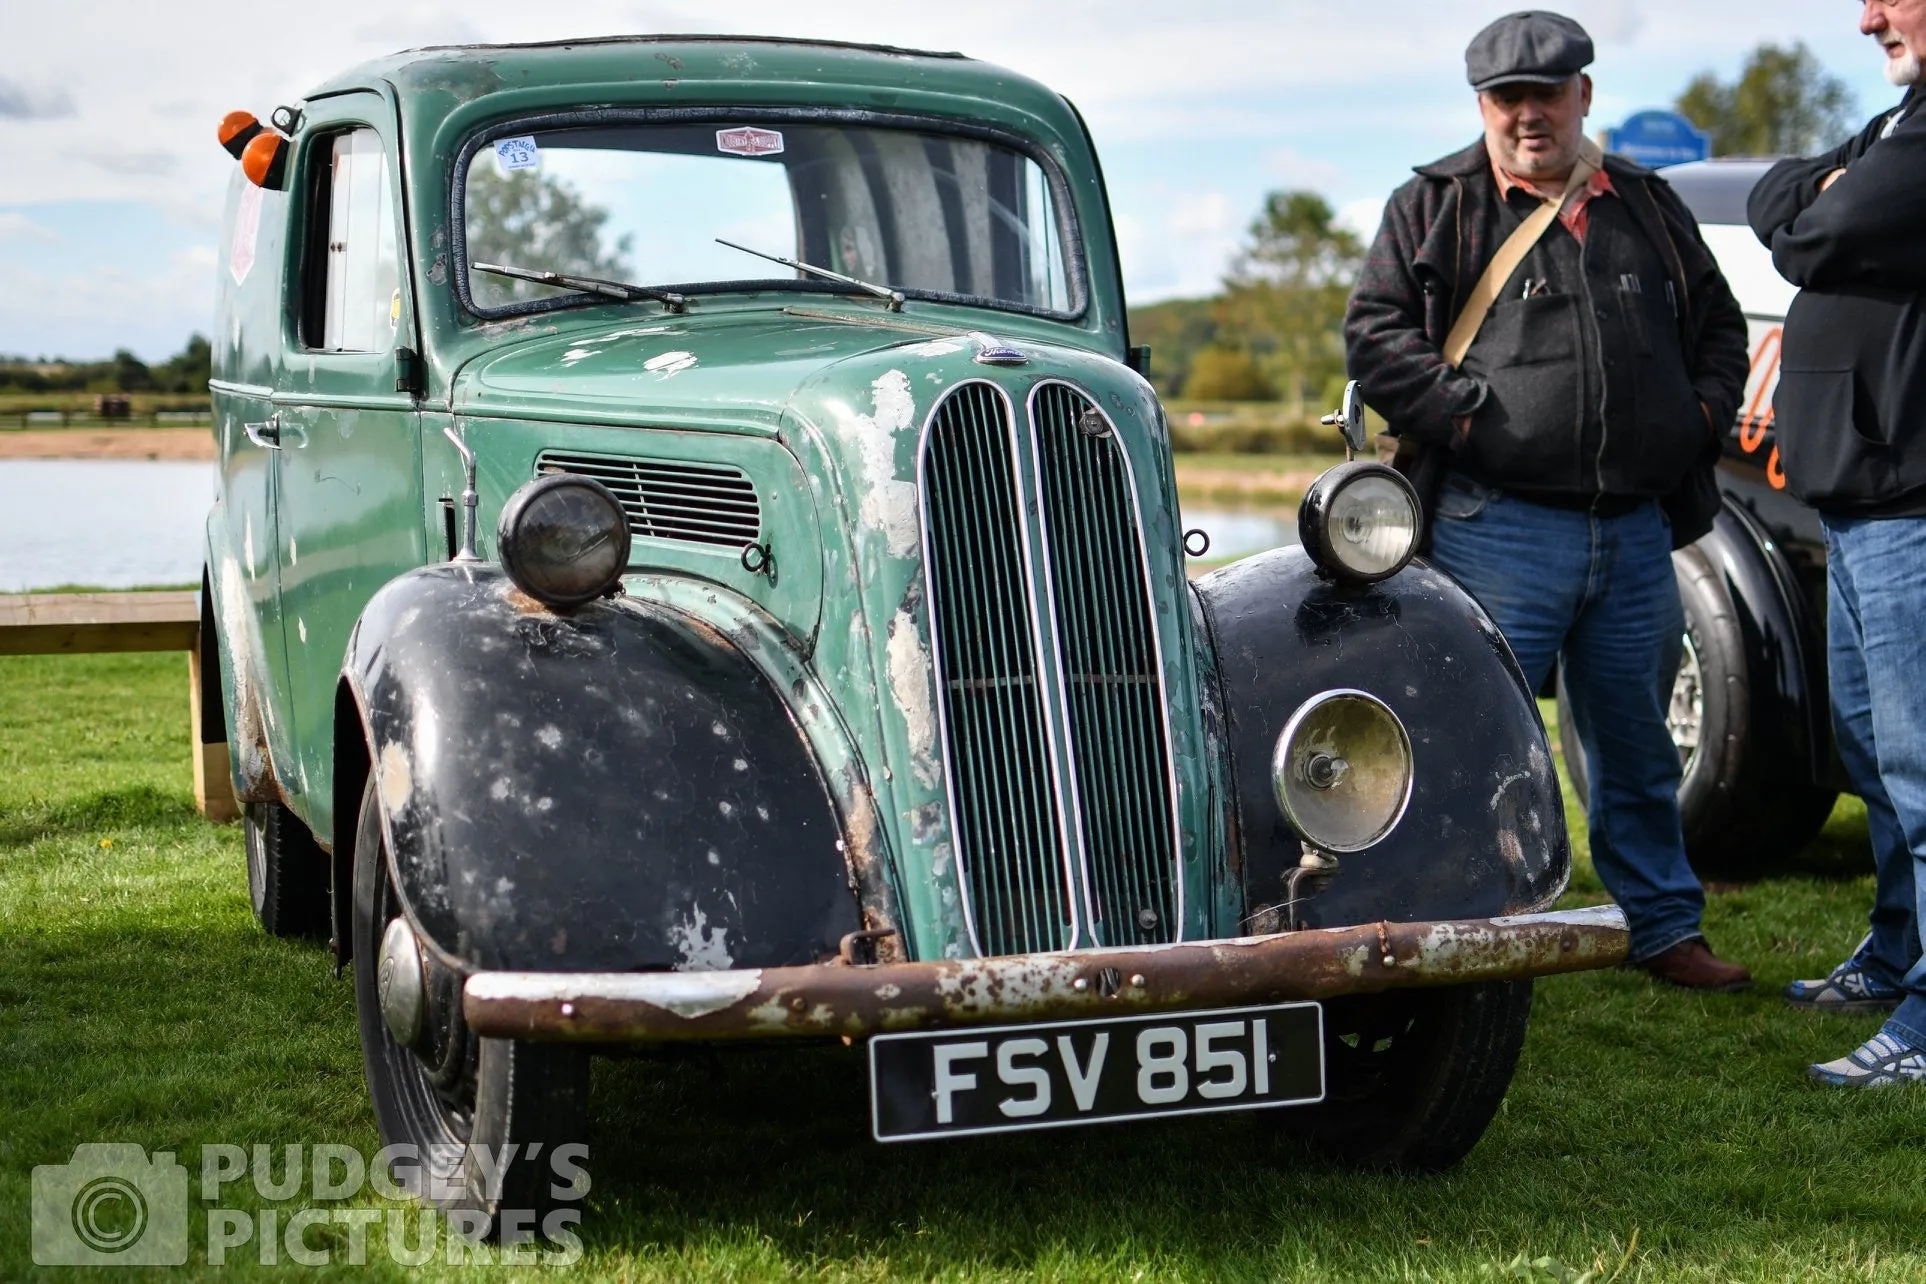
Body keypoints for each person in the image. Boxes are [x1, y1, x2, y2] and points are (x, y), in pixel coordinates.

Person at [1344, 10, 1752, 989]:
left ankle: (1659, 926)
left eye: (1548, 93)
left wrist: (1693, 419)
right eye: (1507, 98)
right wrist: (1473, 420)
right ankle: (1460, 931)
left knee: (1640, 749)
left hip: (1635, 533)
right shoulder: (1434, 202)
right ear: (1483, 105)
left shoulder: (1647, 204)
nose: (1529, 115)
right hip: (1496, 526)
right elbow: (1376, 335)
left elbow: (1723, 332)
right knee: (1471, 742)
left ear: (1585, 95)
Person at [1748, 0, 1926, 1086]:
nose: (1867, 19)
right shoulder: (1900, 127)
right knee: (1871, 753)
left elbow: (1808, 232)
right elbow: (1787, 190)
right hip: (1859, 503)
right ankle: (1899, 954)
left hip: (1913, 507)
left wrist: (1822, 204)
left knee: (1922, 766)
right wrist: (1821, 191)